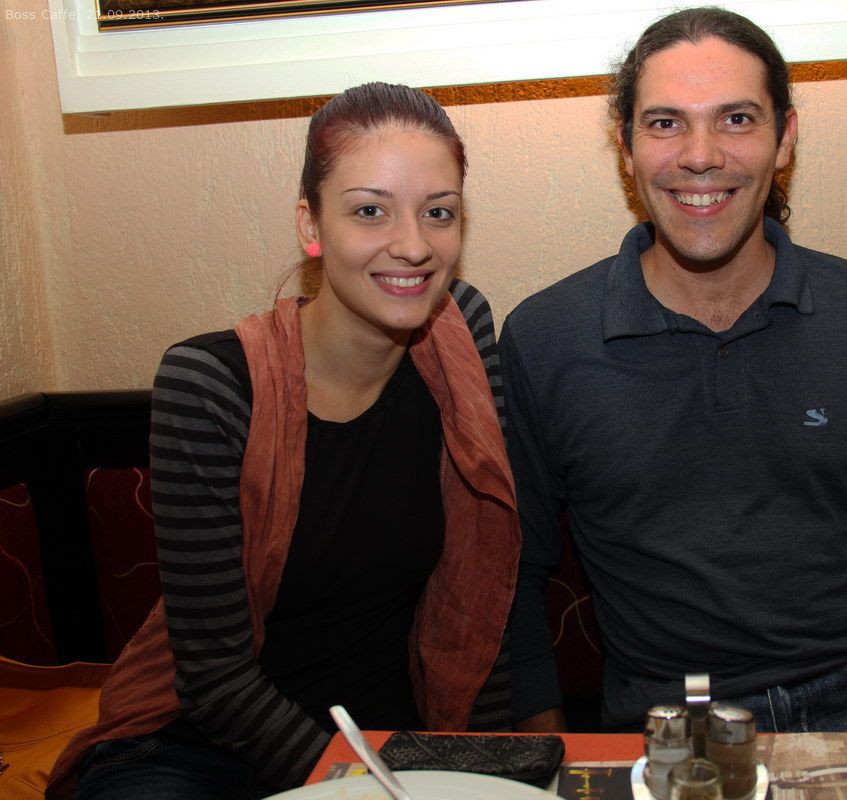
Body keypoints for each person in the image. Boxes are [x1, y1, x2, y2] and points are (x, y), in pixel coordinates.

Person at [501, 7, 847, 735]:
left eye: (736, 119)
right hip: (674, 727)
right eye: (666, 123)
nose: (700, 155)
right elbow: (507, 564)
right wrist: (544, 747)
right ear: (626, 145)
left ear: (785, 139)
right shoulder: (546, 338)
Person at [48, 82, 519, 799]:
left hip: (386, 744)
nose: (414, 246)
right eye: (370, 210)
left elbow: (482, 581)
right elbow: (213, 679)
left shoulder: (463, 331)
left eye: (439, 212)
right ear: (311, 225)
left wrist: (491, 771)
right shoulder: (209, 382)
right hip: (198, 754)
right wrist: (359, 788)